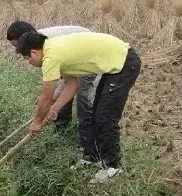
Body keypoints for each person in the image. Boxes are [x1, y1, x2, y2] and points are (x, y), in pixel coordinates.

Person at [17, 31, 141, 181]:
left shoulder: (51, 57)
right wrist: (55, 108)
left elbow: (46, 97)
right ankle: (92, 157)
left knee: (105, 116)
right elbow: (73, 84)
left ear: (33, 52)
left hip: (124, 62)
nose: (28, 62)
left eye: (26, 58)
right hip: (116, 63)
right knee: (95, 113)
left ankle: (113, 167)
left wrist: (37, 121)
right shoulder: (53, 49)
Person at [6, 21, 95, 151]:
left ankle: (87, 147)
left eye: (17, 45)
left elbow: (55, 87)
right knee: (60, 99)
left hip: (87, 55)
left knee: (84, 100)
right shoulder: (38, 44)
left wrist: (41, 116)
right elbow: (61, 80)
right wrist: (53, 103)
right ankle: (61, 133)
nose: (17, 50)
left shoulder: (47, 44)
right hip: (73, 58)